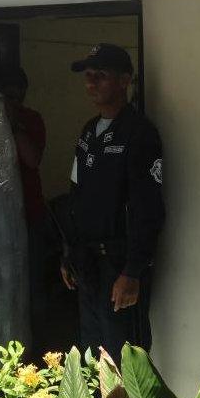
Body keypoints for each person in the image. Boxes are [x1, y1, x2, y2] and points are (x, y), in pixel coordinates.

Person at [60, 44, 165, 364]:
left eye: (100, 76)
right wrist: (69, 254)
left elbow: (149, 209)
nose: (91, 83)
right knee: (93, 358)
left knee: (125, 360)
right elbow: (76, 195)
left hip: (119, 266)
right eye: (88, 76)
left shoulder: (139, 133)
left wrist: (132, 271)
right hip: (88, 265)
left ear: (124, 81)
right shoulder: (89, 131)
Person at [0, 68, 49, 358]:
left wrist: (14, 124)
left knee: (34, 290)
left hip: (31, 215)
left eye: (17, 94)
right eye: (7, 95)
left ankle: (38, 352)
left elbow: (33, 158)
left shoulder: (31, 120)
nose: (13, 100)